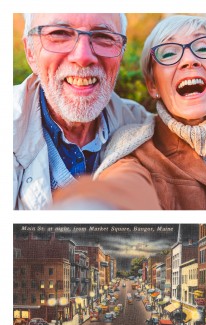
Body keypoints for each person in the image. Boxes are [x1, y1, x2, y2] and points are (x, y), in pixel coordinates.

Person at [80, 14, 206, 210]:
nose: (189, 60)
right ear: (152, 85)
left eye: (203, 48)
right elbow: (122, 189)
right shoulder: (132, 151)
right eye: (169, 54)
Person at [13, 13, 159, 210]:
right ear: (30, 52)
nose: (82, 57)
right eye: (59, 33)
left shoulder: (144, 128)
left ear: (121, 53)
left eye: (103, 37)